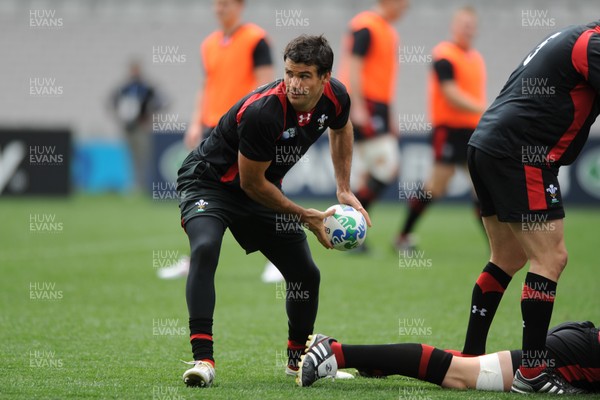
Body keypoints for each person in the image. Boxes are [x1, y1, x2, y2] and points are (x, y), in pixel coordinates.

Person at [177, 34, 371, 388]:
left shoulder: (337, 96)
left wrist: (343, 187)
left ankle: (298, 362)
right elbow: (251, 184)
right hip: (210, 184)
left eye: (304, 75)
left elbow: (342, 130)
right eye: (289, 73)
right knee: (205, 248)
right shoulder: (264, 112)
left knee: (305, 274)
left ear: (325, 77)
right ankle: (203, 359)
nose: (294, 84)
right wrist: (306, 216)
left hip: (260, 191)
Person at [457, 20, 600, 394]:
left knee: (507, 257)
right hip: (522, 152)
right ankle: (533, 371)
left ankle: (470, 358)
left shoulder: (574, 36)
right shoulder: (593, 43)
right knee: (551, 259)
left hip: (486, 143)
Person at [157, 0, 282, 282]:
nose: (219, 8)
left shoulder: (256, 39)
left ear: (240, 6)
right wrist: (195, 122)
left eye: (225, 3)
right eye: (217, 3)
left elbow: (265, 86)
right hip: (213, 130)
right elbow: (207, 85)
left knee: (258, 189)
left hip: (242, 126)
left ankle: (277, 257)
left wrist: (256, 124)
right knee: (204, 196)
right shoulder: (209, 44)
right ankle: (195, 256)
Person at [297, 321, 599, 394]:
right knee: (460, 374)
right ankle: (334, 352)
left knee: (467, 368)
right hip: (576, 354)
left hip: (580, 343)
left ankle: (377, 362)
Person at [396, 6, 486, 250]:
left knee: (483, 187)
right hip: (448, 130)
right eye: (464, 24)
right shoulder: (444, 54)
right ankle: (403, 236)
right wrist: (484, 107)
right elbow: (450, 93)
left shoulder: (475, 58)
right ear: (454, 27)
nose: (468, 29)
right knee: (436, 186)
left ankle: (497, 248)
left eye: (471, 25)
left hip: (473, 130)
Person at [338, 0, 408, 251]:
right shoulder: (366, 26)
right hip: (364, 103)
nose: (406, 8)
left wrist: (390, 114)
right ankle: (348, 225)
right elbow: (353, 65)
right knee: (387, 166)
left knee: (369, 171)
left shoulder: (388, 30)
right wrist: (356, 105)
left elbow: (384, 78)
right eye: (403, 3)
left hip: (378, 106)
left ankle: (348, 228)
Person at [111, 60, 166, 191]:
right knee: (132, 156)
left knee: (145, 154)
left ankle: (146, 184)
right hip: (129, 127)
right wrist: (120, 117)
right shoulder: (124, 88)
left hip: (142, 127)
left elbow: (162, 102)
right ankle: (135, 184)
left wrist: (151, 118)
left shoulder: (146, 87)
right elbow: (113, 102)